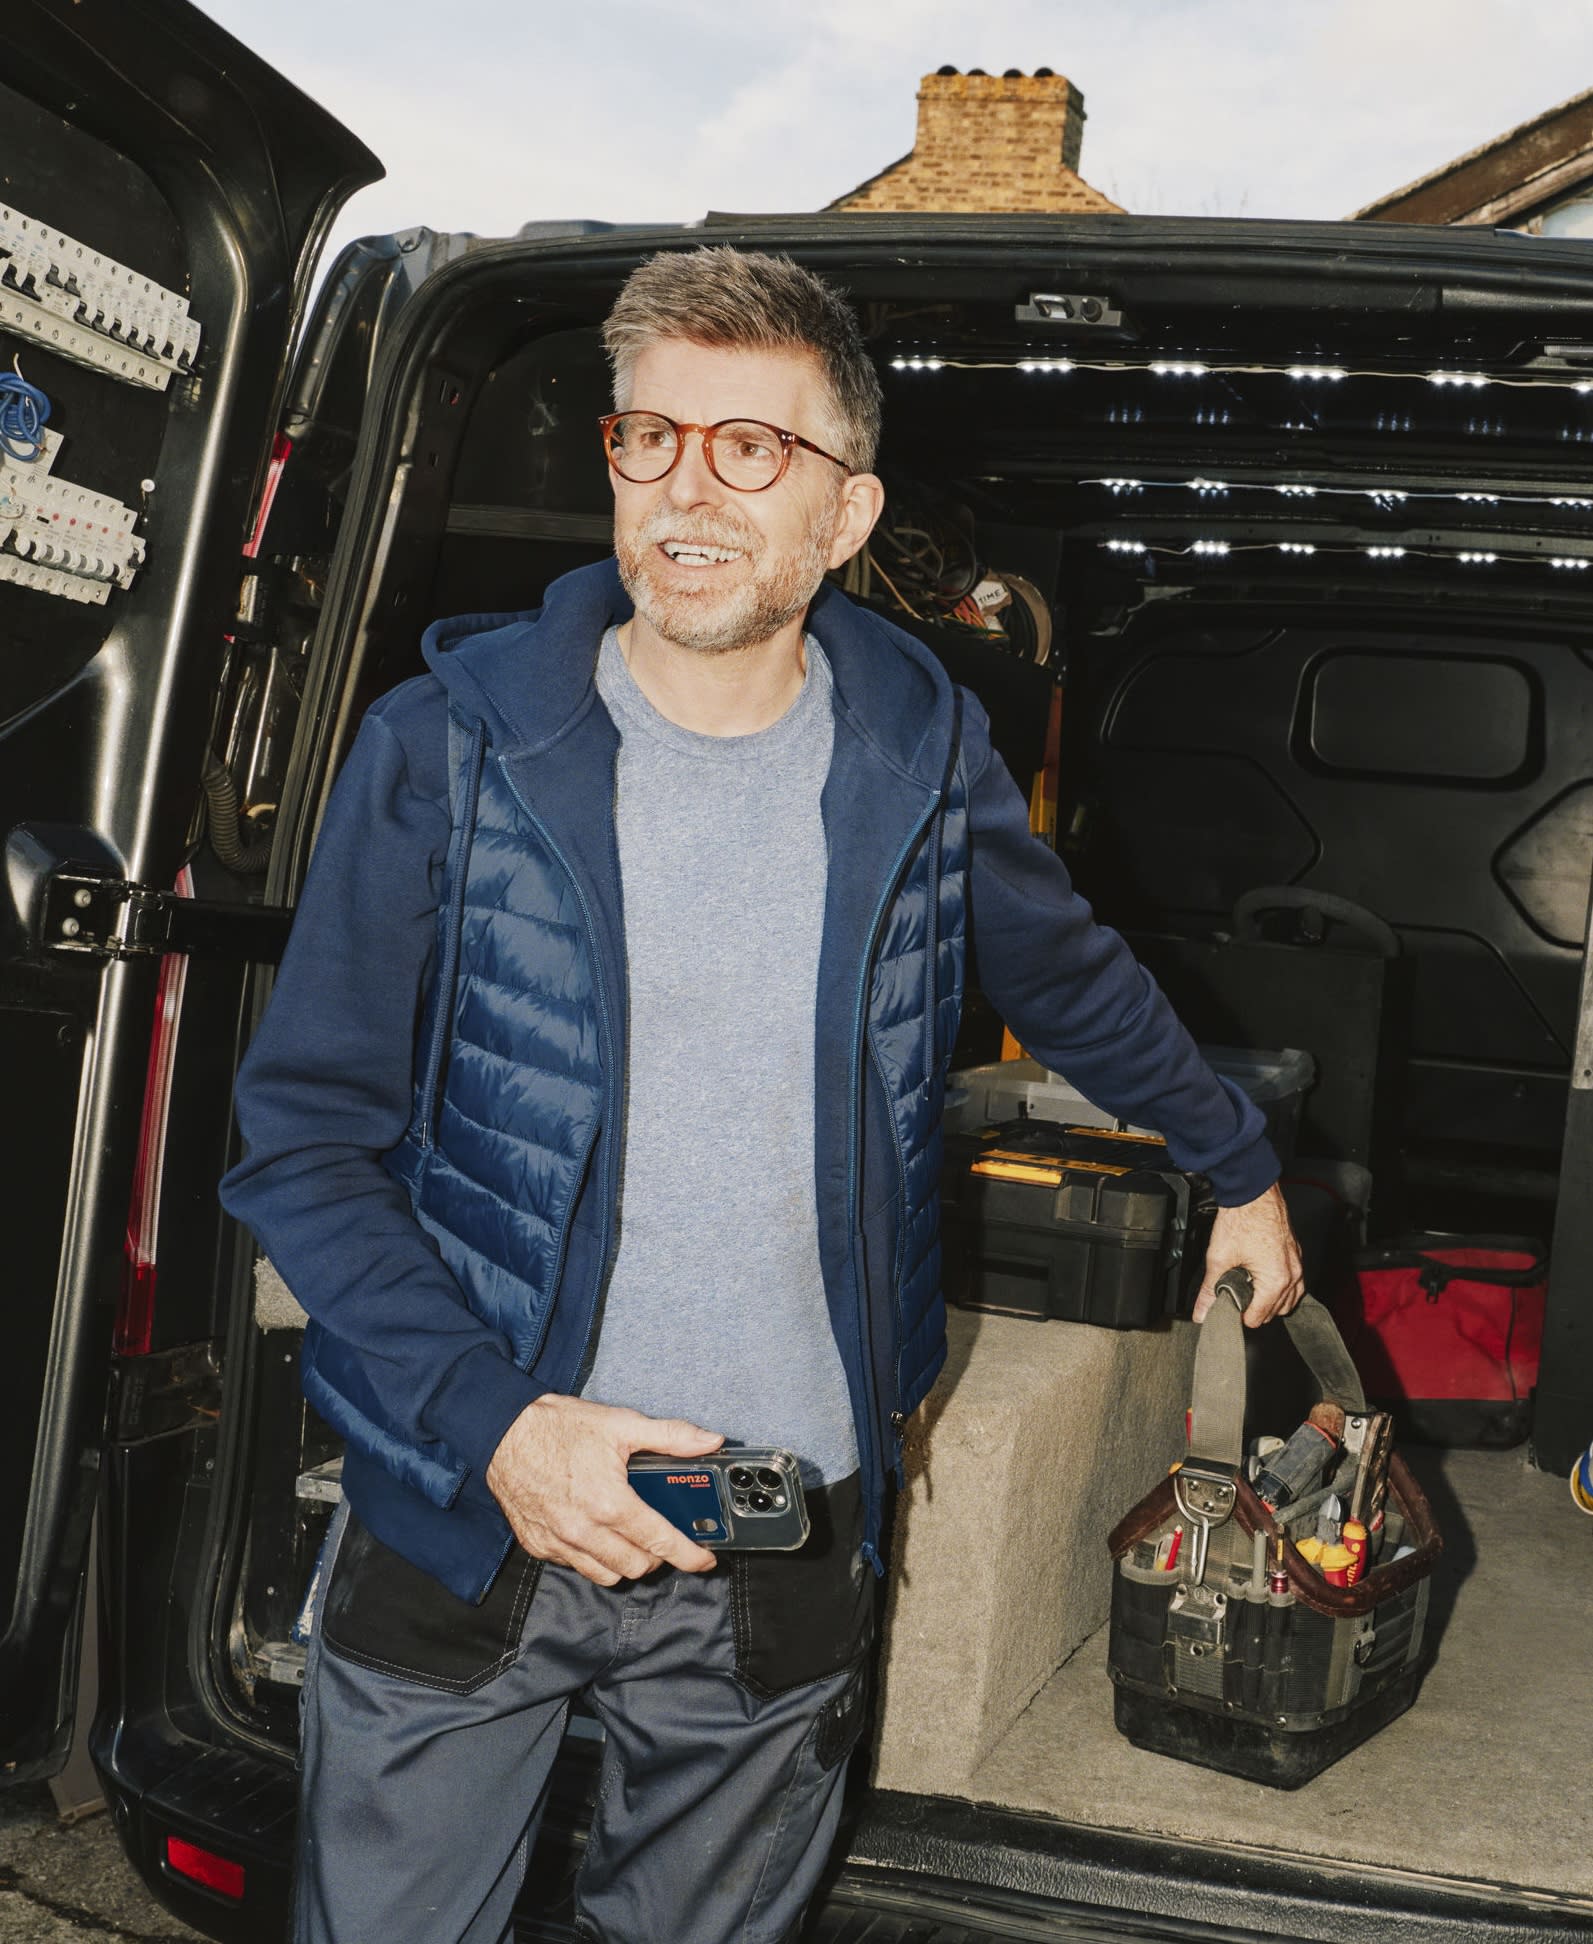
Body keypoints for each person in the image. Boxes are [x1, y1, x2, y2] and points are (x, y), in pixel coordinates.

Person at [219, 245, 1303, 1944]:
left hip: (784, 1524)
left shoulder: (919, 746)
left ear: (845, 515)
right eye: (649, 438)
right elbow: (301, 1143)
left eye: (751, 449)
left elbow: (1068, 975)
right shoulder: (446, 746)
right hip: (474, 1511)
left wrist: (1236, 1161)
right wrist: (495, 1426)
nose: (685, 491)